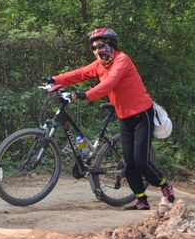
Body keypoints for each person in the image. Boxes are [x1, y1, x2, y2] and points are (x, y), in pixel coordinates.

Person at [44, 28, 175, 210]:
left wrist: (85, 95)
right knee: (129, 163)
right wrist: (54, 79)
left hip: (141, 114)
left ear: (111, 44)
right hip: (124, 116)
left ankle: (165, 186)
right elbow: (79, 74)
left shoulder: (122, 60)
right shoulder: (100, 64)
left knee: (141, 161)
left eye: (101, 46)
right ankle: (142, 200)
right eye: (94, 48)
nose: (97, 50)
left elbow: (109, 84)